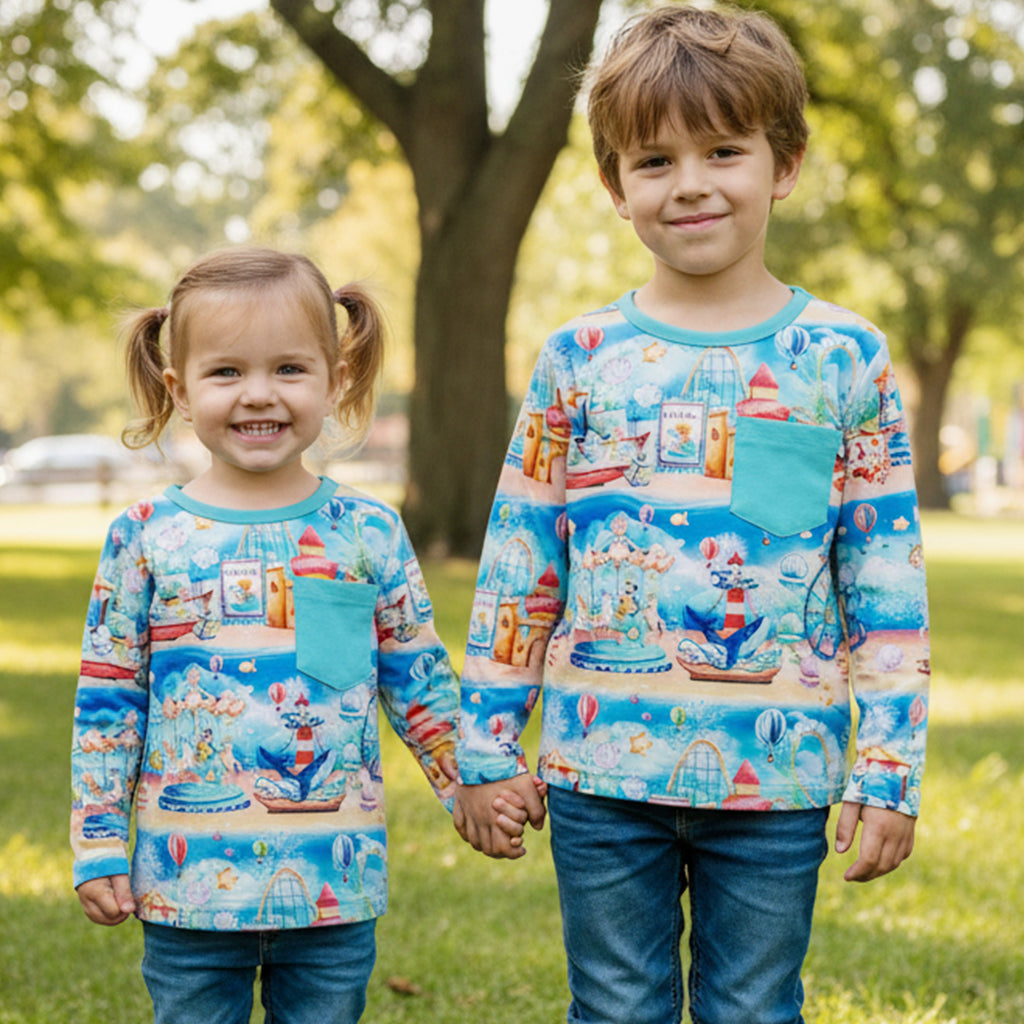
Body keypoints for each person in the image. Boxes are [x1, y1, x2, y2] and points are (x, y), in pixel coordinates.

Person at [452, 6, 930, 1023]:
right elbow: (518, 562)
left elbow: (883, 581)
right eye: (655, 160)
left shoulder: (843, 359)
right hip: (600, 770)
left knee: (753, 1009)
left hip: (778, 770)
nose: (691, 183)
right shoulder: (577, 359)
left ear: (784, 163)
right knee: (616, 1007)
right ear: (614, 186)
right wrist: (485, 748)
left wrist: (888, 766)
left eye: (724, 150)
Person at [70, 245, 477, 1024]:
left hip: (333, 884)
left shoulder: (366, 533)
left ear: (337, 379)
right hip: (186, 893)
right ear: (179, 390)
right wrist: (96, 841)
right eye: (227, 373)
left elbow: (417, 679)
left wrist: (468, 783)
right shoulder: (146, 537)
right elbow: (107, 706)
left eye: (290, 369)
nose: (260, 395)